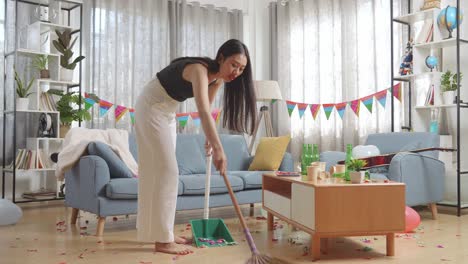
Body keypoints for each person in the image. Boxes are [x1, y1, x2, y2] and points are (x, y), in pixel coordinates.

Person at [135, 39, 257, 255]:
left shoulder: (216, 80)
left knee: (158, 172)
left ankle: (160, 233)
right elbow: (200, 108)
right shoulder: (199, 70)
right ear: (221, 58)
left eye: (241, 68)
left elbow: (207, 112)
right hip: (151, 107)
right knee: (167, 171)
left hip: (167, 112)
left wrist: (209, 139)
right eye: (233, 65)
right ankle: (163, 240)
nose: (236, 72)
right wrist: (219, 149)